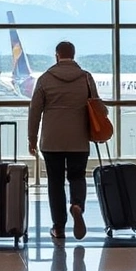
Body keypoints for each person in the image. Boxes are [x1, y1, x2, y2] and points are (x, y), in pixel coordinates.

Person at [27, 41, 107, 241]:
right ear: (74, 54)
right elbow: (99, 108)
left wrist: (32, 138)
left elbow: (34, 111)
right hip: (79, 138)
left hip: (52, 140)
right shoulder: (86, 78)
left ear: (56, 55)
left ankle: (59, 227)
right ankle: (77, 205)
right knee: (77, 177)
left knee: (55, 182)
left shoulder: (45, 79)